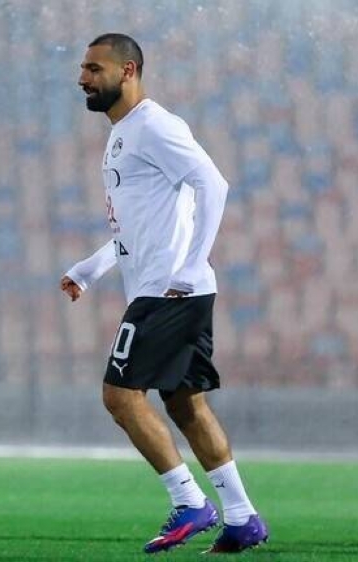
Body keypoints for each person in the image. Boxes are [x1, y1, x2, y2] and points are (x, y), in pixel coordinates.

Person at [61, 33, 268, 554]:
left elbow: (213, 184)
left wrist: (192, 263)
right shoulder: (124, 133)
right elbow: (138, 226)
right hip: (175, 289)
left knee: (120, 396)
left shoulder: (154, 126)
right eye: (83, 68)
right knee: (185, 405)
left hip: (168, 292)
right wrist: (90, 269)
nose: (82, 78)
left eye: (94, 68)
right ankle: (242, 517)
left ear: (128, 71)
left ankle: (190, 502)